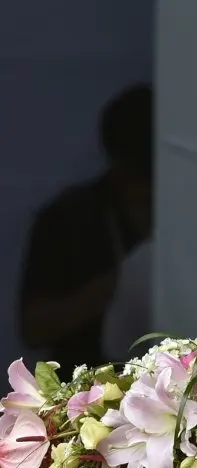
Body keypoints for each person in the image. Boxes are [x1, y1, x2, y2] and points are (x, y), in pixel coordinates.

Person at [18, 83, 153, 380]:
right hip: (85, 384)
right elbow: (33, 328)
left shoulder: (191, 214)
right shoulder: (69, 217)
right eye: (137, 176)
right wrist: (120, 286)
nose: (144, 191)